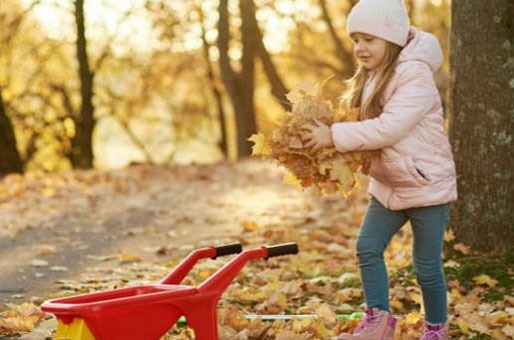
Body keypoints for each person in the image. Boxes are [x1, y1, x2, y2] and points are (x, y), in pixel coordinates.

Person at [301, 0, 457, 339]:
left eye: (368, 39)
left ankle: (436, 329)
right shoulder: (371, 75)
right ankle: (379, 320)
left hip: (425, 185)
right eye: (355, 39)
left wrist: (334, 136)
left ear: (392, 38)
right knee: (367, 247)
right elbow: (366, 127)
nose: (359, 47)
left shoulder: (414, 74)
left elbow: (389, 128)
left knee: (426, 267)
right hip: (388, 186)